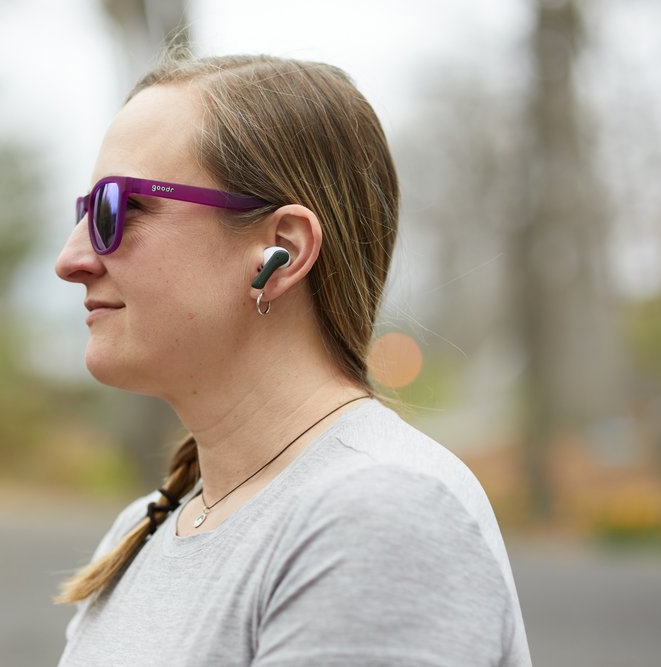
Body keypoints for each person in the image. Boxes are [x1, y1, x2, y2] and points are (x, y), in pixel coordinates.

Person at [53, 53, 531, 666]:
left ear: (279, 250)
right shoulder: (145, 527)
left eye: (118, 209)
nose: (71, 259)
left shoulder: (376, 520)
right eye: (84, 213)